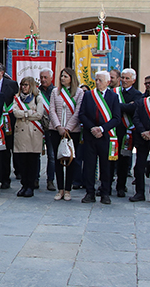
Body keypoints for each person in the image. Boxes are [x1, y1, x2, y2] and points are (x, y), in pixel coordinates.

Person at [77, 70, 119, 204]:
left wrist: (102, 129)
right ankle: (90, 193)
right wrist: (92, 128)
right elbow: (82, 114)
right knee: (89, 165)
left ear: (108, 82)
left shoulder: (113, 97)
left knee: (106, 166)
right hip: (90, 135)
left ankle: (105, 193)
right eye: (96, 80)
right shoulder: (89, 95)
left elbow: (116, 118)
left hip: (105, 136)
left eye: (100, 80)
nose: (97, 82)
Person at [48, 67, 82, 201]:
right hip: (56, 130)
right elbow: (52, 110)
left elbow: (78, 111)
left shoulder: (79, 93)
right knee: (58, 159)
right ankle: (60, 189)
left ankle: (68, 189)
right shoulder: (55, 92)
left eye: (66, 76)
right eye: (62, 76)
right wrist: (58, 126)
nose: (62, 78)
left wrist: (67, 127)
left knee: (71, 160)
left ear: (71, 78)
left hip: (72, 131)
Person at [10, 76, 45, 197]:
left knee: (32, 160)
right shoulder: (17, 98)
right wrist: (29, 113)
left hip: (33, 132)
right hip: (21, 132)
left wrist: (23, 114)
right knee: (22, 160)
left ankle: (30, 185)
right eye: (22, 85)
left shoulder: (37, 98)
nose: (23, 87)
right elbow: (15, 112)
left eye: (26, 85)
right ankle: (23, 184)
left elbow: (39, 114)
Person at [113, 68, 143, 198]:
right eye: (123, 78)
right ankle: (106, 185)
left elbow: (134, 108)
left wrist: (117, 106)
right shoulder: (114, 92)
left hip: (128, 132)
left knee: (124, 161)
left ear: (133, 80)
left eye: (127, 78)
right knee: (110, 159)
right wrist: (125, 106)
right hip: (114, 130)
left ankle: (121, 186)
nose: (124, 81)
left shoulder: (137, 94)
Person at [38, 70, 58, 191]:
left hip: (51, 126)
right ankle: (35, 178)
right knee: (36, 154)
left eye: (46, 77)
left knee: (52, 155)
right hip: (38, 126)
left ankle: (50, 180)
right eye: (41, 77)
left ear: (51, 77)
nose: (43, 79)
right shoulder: (36, 92)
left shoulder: (56, 91)